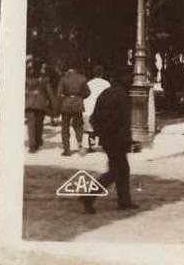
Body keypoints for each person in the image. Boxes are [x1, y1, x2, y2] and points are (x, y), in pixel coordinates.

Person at [83, 69, 136, 214]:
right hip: (116, 139)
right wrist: (119, 137)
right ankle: (89, 196)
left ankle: (124, 201)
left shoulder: (105, 93)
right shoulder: (121, 96)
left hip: (109, 138)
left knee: (121, 169)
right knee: (117, 171)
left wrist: (102, 134)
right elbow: (120, 121)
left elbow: (94, 118)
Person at [56, 65, 91, 156]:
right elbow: (88, 92)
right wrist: (80, 97)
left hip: (66, 104)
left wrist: (63, 101)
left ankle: (67, 150)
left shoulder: (64, 79)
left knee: (65, 128)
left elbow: (59, 94)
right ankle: (80, 145)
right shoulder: (82, 78)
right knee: (78, 126)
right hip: (78, 104)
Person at [24, 56, 52, 153]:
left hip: (29, 103)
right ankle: (38, 141)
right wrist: (54, 106)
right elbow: (50, 93)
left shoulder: (26, 78)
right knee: (39, 124)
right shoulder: (44, 79)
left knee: (30, 125)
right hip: (40, 104)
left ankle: (32, 146)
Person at [82, 65, 111, 152]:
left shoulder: (89, 83)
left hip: (89, 108)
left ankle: (91, 144)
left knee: (90, 128)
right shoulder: (106, 84)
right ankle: (103, 144)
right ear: (102, 73)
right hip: (102, 109)